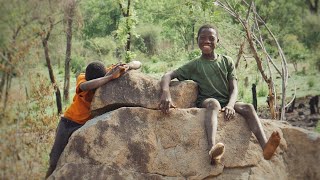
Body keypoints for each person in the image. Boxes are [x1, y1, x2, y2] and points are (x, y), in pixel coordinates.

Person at [159, 24, 280, 165]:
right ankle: (212, 150)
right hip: (207, 100)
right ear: (197, 39)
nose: (206, 41)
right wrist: (166, 93)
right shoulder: (195, 65)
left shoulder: (227, 61)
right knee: (214, 103)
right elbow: (168, 75)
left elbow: (234, 88)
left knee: (248, 107)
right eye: (202, 38)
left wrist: (230, 105)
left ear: (218, 41)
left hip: (228, 100)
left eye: (211, 38)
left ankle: (265, 147)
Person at [45, 60, 141, 178]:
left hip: (86, 125)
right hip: (68, 122)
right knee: (54, 161)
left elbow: (138, 63)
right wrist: (110, 77)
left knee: (81, 160)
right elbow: (86, 86)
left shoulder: (107, 70)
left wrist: (128, 66)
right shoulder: (82, 78)